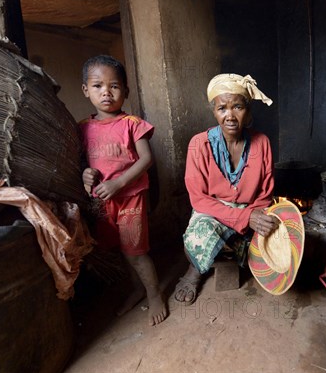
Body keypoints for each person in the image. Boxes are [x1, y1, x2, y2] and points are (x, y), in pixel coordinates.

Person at [174, 73, 279, 305]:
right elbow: (199, 200)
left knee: (282, 236)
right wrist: (243, 217)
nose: (230, 116)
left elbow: (265, 192)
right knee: (198, 237)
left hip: (251, 209)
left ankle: (243, 255)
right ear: (214, 112)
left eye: (238, 107)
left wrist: (254, 214)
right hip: (212, 212)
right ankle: (194, 272)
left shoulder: (262, 142)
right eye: (222, 108)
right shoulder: (198, 144)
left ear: (248, 112)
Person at [79, 55, 166, 326]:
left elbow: (146, 159)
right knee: (119, 249)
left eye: (114, 86)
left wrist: (118, 183)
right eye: (98, 86)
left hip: (130, 199)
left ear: (125, 91)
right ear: (86, 90)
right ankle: (138, 289)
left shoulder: (132, 124)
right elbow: (82, 164)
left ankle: (154, 295)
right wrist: (86, 175)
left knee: (135, 252)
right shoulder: (83, 128)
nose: (106, 92)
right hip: (102, 203)